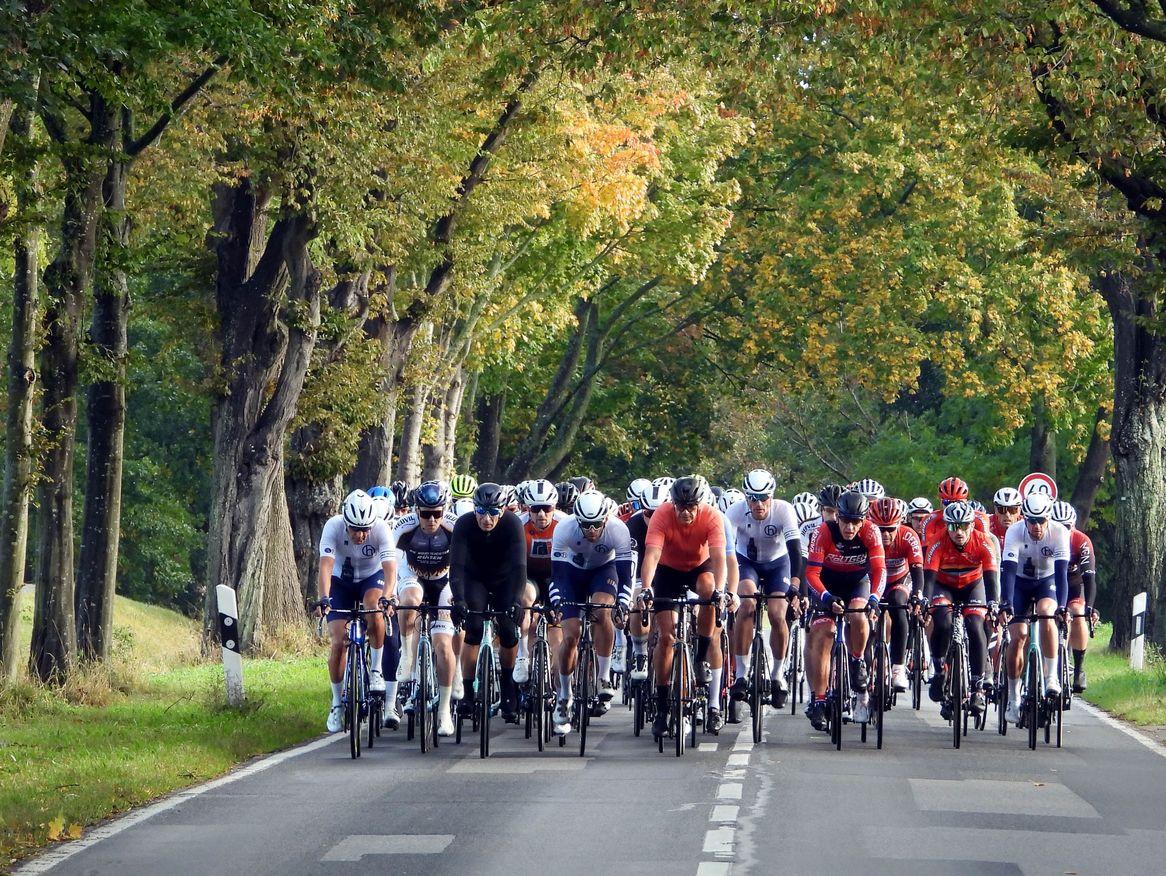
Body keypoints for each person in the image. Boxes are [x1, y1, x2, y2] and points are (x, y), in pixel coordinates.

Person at [641, 475, 728, 740]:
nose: (686, 512)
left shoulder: (712, 517)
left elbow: (719, 558)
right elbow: (652, 556)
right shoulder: (662, 515)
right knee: (666, 637)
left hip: (699, 568)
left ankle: (700, 657)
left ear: (700, 504)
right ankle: (663, 707)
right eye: (681, 506)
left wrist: (721, 592)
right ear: (673, 503)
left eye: (691, 507)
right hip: (668, 571)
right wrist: (646, 587)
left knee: (708, 588)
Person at [549, 491, 635, 734]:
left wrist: (623, 602)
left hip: (603, 571)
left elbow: (626, 574)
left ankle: (603, 676)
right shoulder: (564, 528)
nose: (591, 530)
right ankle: (565, 695)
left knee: (602, 609)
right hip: (571, 574)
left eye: (597, 524)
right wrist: (557, 602)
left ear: (605, 519)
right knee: (571, 635)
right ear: (577, 521)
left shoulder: (618, 529)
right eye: (586, 525)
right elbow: (556, 575)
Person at [802, 490, 886, 729]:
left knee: (859, 615)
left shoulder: (871, 531)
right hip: (826, 584)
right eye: (846, 521)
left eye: (856, 521)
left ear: (863, 520)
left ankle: (857, 660)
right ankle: (819, 699)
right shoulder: (822, 532)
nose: (850, 527)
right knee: (823, 634)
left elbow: (880, 570)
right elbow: (811, 574)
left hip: (857, 583)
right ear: (837, 516)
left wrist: (874, 598)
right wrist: (827, 598)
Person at [315, 490, 397, 733]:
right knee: (339, 640)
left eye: (365, 530)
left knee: (374, 608)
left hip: (371, 578)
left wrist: (387, 597)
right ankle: (337, 703)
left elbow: (390, 570)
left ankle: (375, 672)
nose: (361, 535)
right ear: (345, 522)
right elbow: (326, 568)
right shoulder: (333, 526)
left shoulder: (381, 529)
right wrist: (324, 598)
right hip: (341, 581)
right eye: (355, 529)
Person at [449, 482, 528, 725]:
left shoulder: (513, 524)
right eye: (481, 511)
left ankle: (507, 686)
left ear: (503, 510)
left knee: (507, 628)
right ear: (474, 509)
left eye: (493, 512)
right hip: (475, 578)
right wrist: (459, 599)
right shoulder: (463, 524)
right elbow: (457, 567)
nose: (486, 518)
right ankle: (467, 692)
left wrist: (516, 600)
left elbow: (519, 567)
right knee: (472, 627)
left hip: (505, 579)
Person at [727, 469, 803, 709]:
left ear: (772, 496)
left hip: (777, 564)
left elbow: (795, 550)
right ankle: (741, 673)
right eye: (752, 498)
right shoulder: (735, 512)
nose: (758, 504)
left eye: (763, 498)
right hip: (745, 563)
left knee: (777, 614)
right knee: (747, 604)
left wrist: (795, 585)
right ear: (746, 498)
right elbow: (724, 550)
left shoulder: (784, 510)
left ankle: (778, 676)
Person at [392, 480, 458, 736]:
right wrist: (390, 595)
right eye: (426, 514)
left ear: (445, 510)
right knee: (408, 599)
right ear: (416, 511)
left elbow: (465, 562)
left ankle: (443, 711)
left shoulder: (454, 526)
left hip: (445, 581)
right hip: (413, 576)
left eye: (437, 514)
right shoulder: (404, 527)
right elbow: (392, 561)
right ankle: (407, 656)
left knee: (442, 644)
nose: (432, 520)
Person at [922, 500, 999, 717]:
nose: (959, 531)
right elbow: (929, 581)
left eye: (964, 525)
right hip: (944, 586)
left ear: (972, 525)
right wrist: (925, 604)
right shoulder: (937, 543)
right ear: (946, 526)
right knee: (942, 622)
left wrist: (993, 603)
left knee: (975, 626)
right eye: (954, 526)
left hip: (973, 585)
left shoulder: (983, 542)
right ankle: (939, 670)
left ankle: (977, 688)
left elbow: (992, 579)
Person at [999, 492, 1071, 723]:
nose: (1037, 526)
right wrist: (1007, 604)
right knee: (1018, 635)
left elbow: (1061, 574)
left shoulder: (1060, 532)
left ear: (1048, 518)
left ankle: (1051, 677)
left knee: (1047, 613)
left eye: (1041, 521)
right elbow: (1008, 571)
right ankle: (1013, 698)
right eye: (1032, 521)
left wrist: (1062, 605)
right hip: (1019, 583)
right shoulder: (1014, 531)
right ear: (1025, 518)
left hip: (1046, 582)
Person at [513, 479, 567, 686]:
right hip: (529, 575)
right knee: (525, 597)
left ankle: (557, 670)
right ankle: (523, 655)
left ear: (554, 507)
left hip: (557, 574)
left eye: (547, 508)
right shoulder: (518, 524)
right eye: (536, 509)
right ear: (528, 508)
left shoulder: (564, 523)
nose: (541, 514)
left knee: (558, 623)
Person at [869, 497, 924, 693]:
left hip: (898, 581)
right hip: (872, 580)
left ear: (899, 524)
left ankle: (897, 668)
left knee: (899, 606)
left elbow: (917, 570)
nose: (885, 534)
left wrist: (917, 596)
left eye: (890, 529)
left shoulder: (909, 536)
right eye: (880, 529)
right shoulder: (864, 534)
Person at [1051, 500, 1099, 692]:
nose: (1062, 531)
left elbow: (1089, 578)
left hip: (1074, 584)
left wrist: (1090, 608)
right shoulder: (1044, 540)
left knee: (1078, 613)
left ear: (1073, 526)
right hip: (1051, 584)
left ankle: (1078, 669)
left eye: (1067, 527)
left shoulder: (1081, 541)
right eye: (1057, 526)